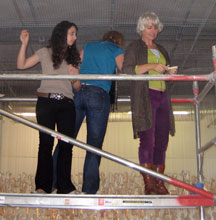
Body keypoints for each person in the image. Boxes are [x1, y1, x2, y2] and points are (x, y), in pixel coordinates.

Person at [17, 21, 81, 194]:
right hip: (46, 101)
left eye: (75, 34)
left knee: (66, 145)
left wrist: (74, 77)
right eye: (72, 33)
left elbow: (77, 87)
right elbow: (21, 65)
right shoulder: (45, 52)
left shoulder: (74, 58)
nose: (74, 37)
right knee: (45, 144)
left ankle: (64, 186)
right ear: (62, 33)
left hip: (67, 103)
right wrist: (24, 44)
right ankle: (42, 187)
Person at [63, 31, 125, 194]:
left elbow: (75, 65)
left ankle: (55, 181)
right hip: (98, 94)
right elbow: (124, 68)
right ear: (118, 42)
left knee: (66, 138)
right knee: (94, 144)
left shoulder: (89, 46)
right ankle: (89, 190)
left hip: (78, 92)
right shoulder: (116, 50)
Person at [123, 12, 177, 195]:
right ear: (141, 28)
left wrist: (169, 74)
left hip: (163, 96)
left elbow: (166, 74)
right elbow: (127, 70)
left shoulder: (161, 49)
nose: (153, 30)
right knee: (148, 138)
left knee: (162, 140)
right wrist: (151, 67)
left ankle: (159, 182)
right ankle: (149, 183)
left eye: (155, 27)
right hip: (146, 96)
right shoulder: (134, 48)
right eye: (149, 27)